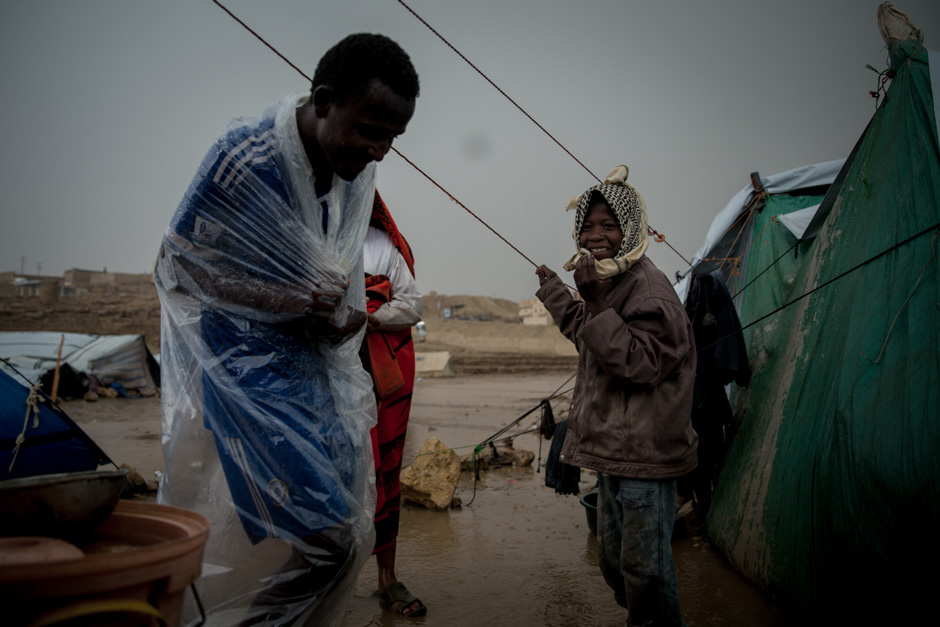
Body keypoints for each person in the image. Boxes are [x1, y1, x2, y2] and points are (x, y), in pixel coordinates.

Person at [154, 33, 419, 626]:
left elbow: (338, 286)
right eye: (371, 130)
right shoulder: (245, 157)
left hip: (312, 373)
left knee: (344, 532)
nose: (378, 151)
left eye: (392, 139)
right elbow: (178, 265)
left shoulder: (353, 174)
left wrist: (343, 319)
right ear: (324, 101)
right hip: (247, 376)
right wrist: (289, 299)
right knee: (330, 540)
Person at [534, 166, 697, 626]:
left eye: (608, 225)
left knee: (645, 570)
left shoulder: (651, 290)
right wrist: (557, 292)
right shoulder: (608, 281)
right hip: (614, 455)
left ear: (632, 230)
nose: (595, 235)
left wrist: (598, 304)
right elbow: (595, 341)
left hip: (646, 456)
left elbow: (640, 365)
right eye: (587, 225)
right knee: (612, 562)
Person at [361, 191, 426, 617]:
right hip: (319, 370)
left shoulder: (382, 246)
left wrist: (369, 316)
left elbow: (411, 304)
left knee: (384, 471)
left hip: (381, 368)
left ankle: (387, 578)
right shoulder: (308, 237)